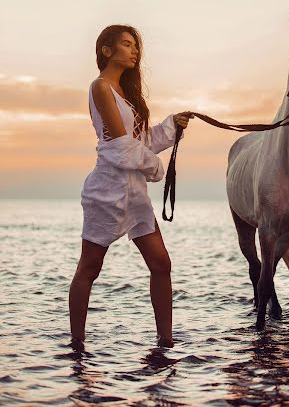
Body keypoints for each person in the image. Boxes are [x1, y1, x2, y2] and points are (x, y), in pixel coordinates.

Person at [68, 24, 193, 349]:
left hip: (135, 196)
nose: (134, 50)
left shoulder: (127, 95)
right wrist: (156, 168)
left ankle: (165, 341)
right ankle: (77, 343)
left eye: (135, 45)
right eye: (126, 44)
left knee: (161, 264)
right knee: (90, 267)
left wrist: (171, 126)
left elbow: (142, 142)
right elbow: (120, 145)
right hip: (106, 193)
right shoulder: (101, 87)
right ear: (107, 50)